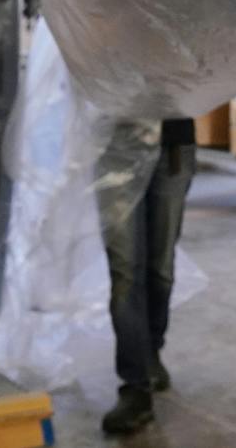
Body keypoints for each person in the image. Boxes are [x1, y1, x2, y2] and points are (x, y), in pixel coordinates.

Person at [96, 116, 197, 436]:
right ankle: (135, 385)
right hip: (116, 142)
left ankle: (150, 350)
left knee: (161, 267)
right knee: (126, 270)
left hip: (175, 143)